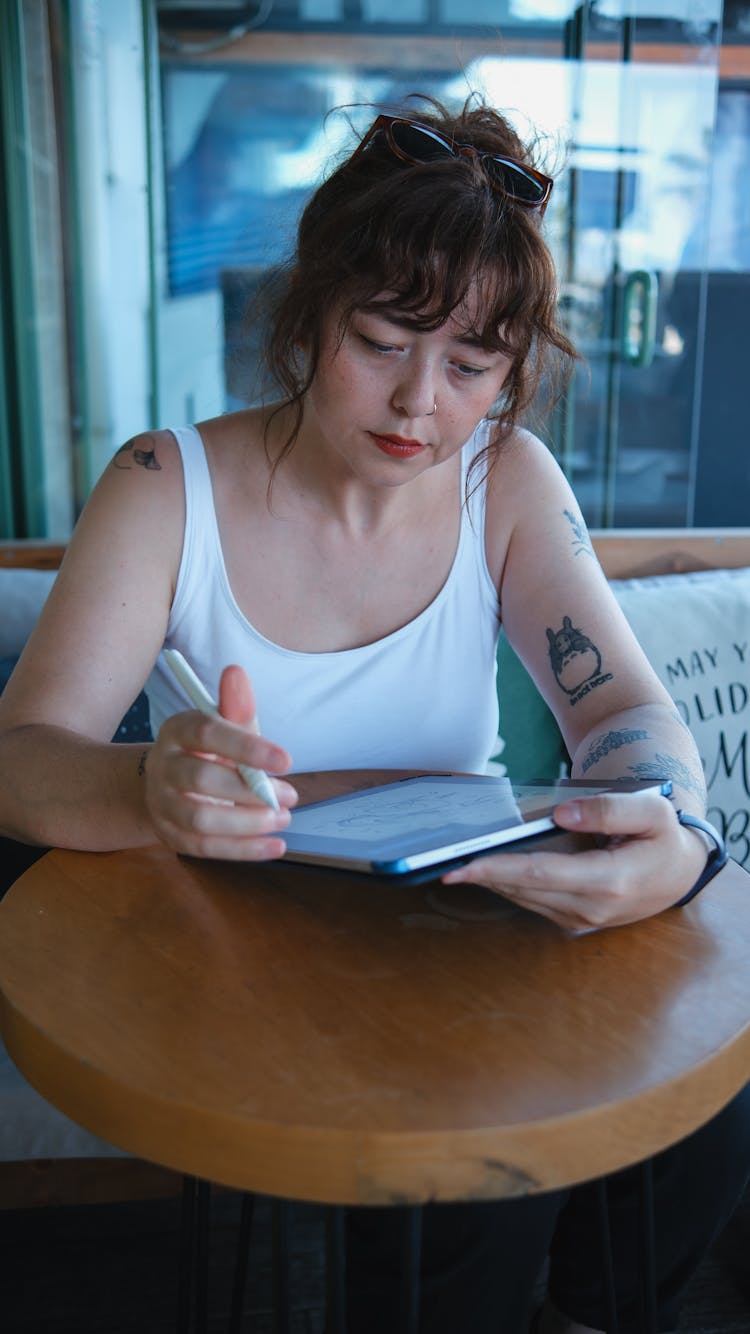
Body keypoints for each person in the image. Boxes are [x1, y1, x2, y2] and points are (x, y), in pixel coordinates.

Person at [0, 95, 747, 1333]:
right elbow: (21, 760)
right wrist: (148, 784)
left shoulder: (504, 476)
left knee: (689, 1075)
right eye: (383, 339)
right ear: (309, 311)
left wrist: (658, 813)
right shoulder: (162, 485)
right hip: (237, 931)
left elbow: (623, 703)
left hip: (453, 915)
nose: (419, 405)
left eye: (471, 366)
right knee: (475, 1159)